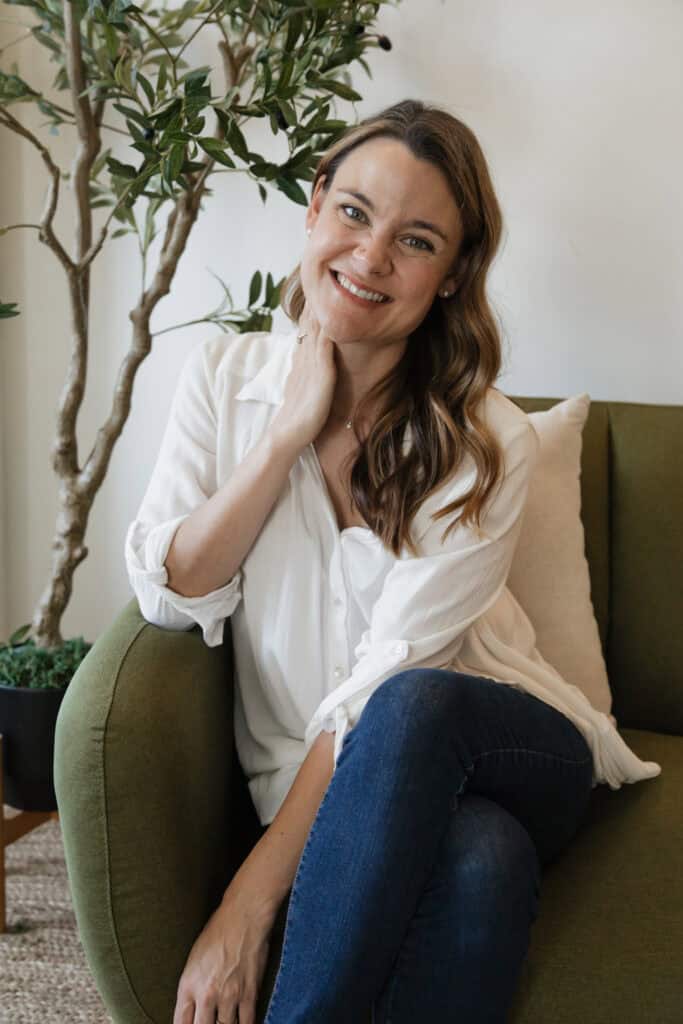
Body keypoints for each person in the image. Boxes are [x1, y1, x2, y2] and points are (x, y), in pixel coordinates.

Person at [124, 98, 661, 1024]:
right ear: (315, 207)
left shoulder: (485, 440)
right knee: (481, 858)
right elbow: (170, 593)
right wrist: (284, 434)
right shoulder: (223, 379)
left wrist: (245, 910)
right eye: (354, 213)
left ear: (453, 275)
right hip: (346, 797)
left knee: (408, 701)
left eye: (416, 240)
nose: (371, 257)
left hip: (508, 744)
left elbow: (385, 688)